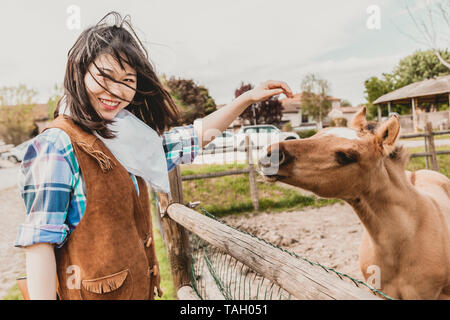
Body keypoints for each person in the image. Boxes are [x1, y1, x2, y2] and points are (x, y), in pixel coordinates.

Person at [14, 11, 293, 300]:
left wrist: (245, 99)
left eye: (127, 80)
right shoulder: (56, 146)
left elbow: (193, 137)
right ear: (78, 70)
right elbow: (39, 245)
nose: (116, 91)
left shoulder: (128, 140)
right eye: (105, 76)